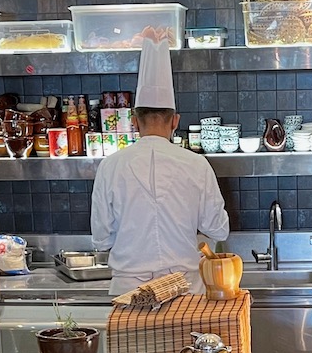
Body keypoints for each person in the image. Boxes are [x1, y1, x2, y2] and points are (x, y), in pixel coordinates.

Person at [91, 39, 229, 294]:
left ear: (134, 122)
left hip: (129, 293)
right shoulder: (197, 164)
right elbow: (218, 229)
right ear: (175, 121)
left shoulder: (110, 166)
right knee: (187, 337)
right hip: (184, 289)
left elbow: (101, 239)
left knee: (130, 337)